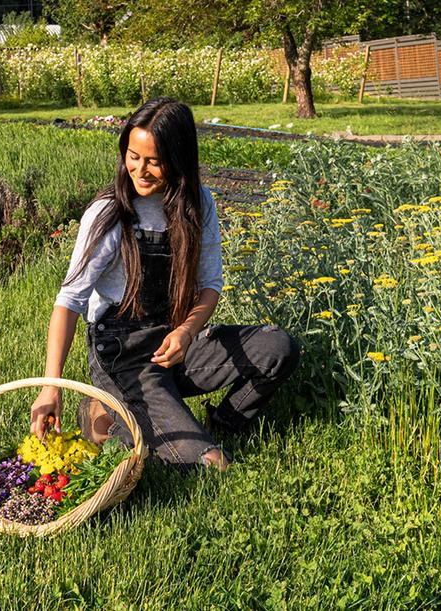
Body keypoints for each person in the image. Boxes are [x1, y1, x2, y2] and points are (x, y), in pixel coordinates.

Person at [29, 97, 301, 472]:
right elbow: (69, 301)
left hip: (174, 344)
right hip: (122, 355)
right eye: (133, 155)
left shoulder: (198, 203)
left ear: (178, 158)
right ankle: (103, 408)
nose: (140, 170)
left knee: (278, 347)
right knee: (212, 464)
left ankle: (220, 424)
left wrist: (188, 332)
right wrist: (50, 386)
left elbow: (210, 285)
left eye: (154, 161)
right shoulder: (110, 213)